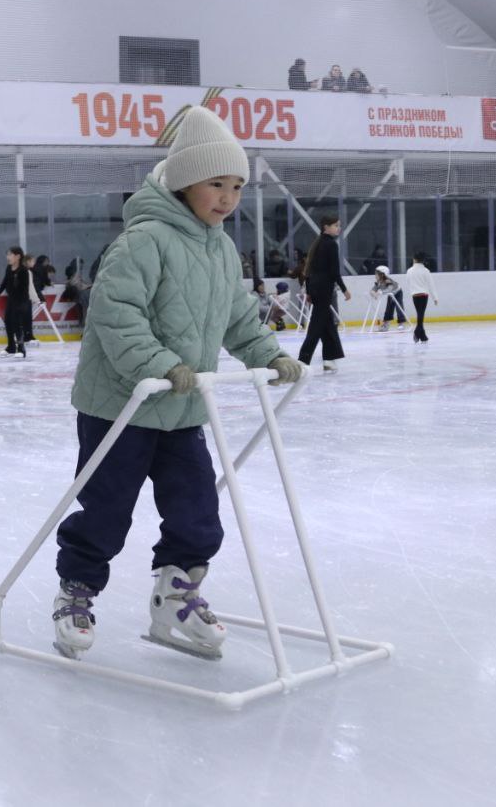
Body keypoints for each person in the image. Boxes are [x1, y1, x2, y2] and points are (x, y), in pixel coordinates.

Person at [50, 106, 302, 662]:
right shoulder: (144, 240)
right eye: (217, 183)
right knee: (106, 511)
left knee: (197, 514)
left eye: (237, 186)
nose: (228, 197)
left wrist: (268, 353)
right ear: (186, 181)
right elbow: (116, 314)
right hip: (122, 405)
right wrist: (160, 365)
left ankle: (174, 597)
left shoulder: (220, 249)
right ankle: (77, 592)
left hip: (184, 408)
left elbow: (238, 316)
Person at [297, 215, 350, 372]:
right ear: (325, 227)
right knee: (317, 325)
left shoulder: (317, 243)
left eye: (338, 225)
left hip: (314, 287)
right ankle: (303, 360)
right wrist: (344, 288)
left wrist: (308, 290)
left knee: (327, 323)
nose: (338, 228)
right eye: (335, 225)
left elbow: (308, 270)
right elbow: (334, 271)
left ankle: (329, 358)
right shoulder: (331, 244)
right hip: (324, 288)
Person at [0, 246, 31, 357]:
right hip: (11, 300)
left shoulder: (23, 271)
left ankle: (21, 349)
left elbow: (24, 288)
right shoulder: (8, 268)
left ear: (18, 256)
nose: (8, 257)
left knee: (17, 324)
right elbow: (4, 283)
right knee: (8, 322)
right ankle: (11, 347)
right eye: (7, 255)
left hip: (21, 301)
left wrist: (21, 303)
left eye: (10, 255)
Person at [405, 251, 439, 343]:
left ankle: (422, 336)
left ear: (414, 259)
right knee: (420, 315)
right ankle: (418, 333)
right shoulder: (426, 271)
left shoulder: (409, 271)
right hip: (424, 295)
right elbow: (431, 285)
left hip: (415, 295)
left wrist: (412, 291)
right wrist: (435, 298)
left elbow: (408, 283)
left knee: (420, 315)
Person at [371, 265, 406, 332]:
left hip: (398, 292)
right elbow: (373, 290)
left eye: (377, 274)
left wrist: (380, 292)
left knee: (399, 306)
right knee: (389, 308)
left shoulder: (387, 281)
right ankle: (386, 324)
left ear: (382, 274)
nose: (375, 275)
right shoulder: (378, 282)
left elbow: (390, 289)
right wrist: (374, 294)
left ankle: (401, 323)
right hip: (391, 294)